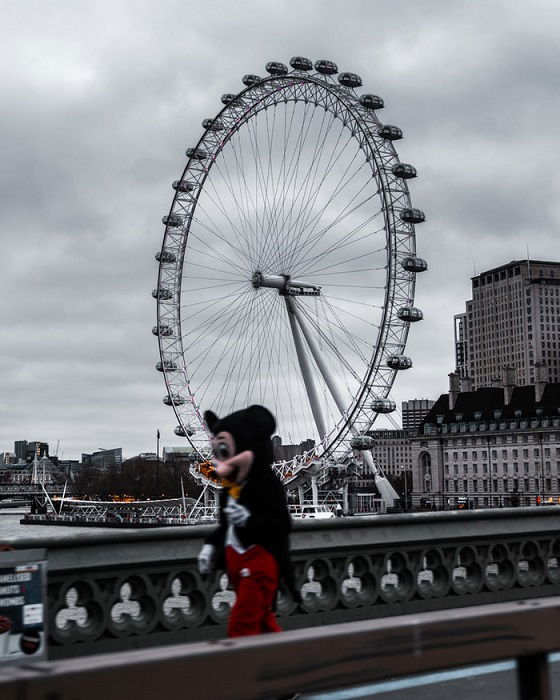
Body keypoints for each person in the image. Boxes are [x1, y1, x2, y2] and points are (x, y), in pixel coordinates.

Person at [197, 405, 299, 637]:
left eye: (224, 450)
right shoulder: (229, 490)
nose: (219, 462)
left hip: (259, 566)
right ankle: (285, 666)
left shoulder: (267, 485)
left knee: (242, 627)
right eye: (217, 452)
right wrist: (211, 546)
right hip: (237, 566)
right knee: (263, 625)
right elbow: (226, 527)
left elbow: (281, 525)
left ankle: (238, 670)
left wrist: (250, 521)